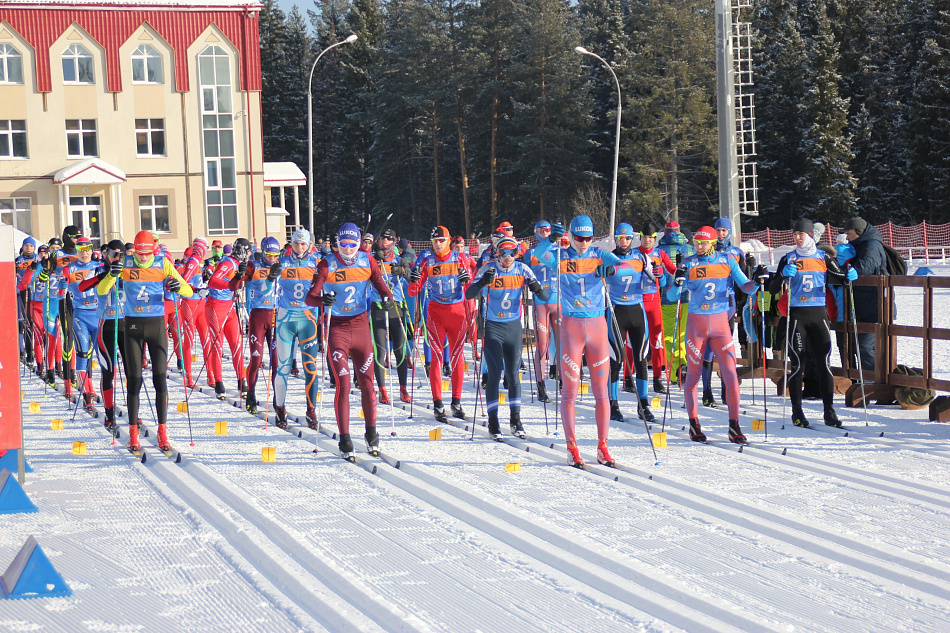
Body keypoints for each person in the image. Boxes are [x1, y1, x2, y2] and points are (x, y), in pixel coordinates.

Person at [530, 215, 622, 468]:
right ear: (571, 235)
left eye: (588, 237)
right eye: (579, 238)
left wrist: (611, 269)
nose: (583, 243)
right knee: (569, 393)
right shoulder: (560, 255)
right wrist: (549, 240)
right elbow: (538, 254)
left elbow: (625, 265)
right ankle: (572, 447)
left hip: (596, 327)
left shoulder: (598, 253)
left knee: (601, 393)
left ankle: (603, 445)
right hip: (570, 327)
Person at [97, 230, 193, 452]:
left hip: (156, 326)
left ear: (154, 250)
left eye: (146, 253)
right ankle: (133, 433)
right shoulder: (125, 262)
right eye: (139, 253)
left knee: (160, 380)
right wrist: (112, 274)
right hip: (132, 326)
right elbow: (102, 290)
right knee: (135, 380)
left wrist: (178, 287)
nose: (142, 258)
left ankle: (162, 432)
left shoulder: (163, 263)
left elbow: (188, 290)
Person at [306, 222, 394, 460]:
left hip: (361, 327)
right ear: (337, 244)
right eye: (343, 245)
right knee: (343, 383)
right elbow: (310, 297)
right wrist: (323, 300)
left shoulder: (368, 261)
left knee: (367, 383)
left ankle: (371, 433)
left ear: (358, 244)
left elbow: (383, 289)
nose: (347, 250)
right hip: (338, 330)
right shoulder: (327, 263)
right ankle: (345, 439)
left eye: (352, 245)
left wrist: (387, 300)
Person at [672, 225, 765, 444]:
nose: (698, 246)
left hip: (721, 325)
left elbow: (747, 287)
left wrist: (760, 280)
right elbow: (672, 293)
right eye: (696, 242)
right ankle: (694, 423)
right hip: (696, 325)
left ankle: (734, 425)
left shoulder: (727, 261)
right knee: (694, 375)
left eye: (703, 243)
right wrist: (678, 280)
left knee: (731, 375)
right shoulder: (688, 263)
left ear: (713, 243)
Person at [770, 219, 853, 428]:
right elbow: (772, 289)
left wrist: (850, 275)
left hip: (819, 316)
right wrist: (781, 275)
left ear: (810, 235)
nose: (798, 238)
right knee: (798, 365)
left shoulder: (823, 256)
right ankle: (797, 412)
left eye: (801, 234)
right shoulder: (788, 258)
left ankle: (829, 412)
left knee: (824, 364)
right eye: (795, 234)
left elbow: (840, 277)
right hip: (797, 316)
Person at [467, 235, 548, 439]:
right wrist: (481, 284)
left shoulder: (522, 269)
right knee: (494, 374)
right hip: (493, 327)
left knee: (513, 375)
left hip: (513, 327)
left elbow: (545, 297)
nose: (509, 257)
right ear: (497, 252)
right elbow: (468, 294)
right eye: (504, 252)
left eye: (513, 252)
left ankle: (515, 419)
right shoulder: (488, 268)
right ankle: (493, 421)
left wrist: (536, 288)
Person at [407, 226, 476, 423]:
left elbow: (471, 288)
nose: (439, 244)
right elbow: (414, 291)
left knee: (456, 357)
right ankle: (438, 403)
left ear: (449, 240)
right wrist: (413, 280)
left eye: (442, 240)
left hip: (457, 312)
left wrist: (467, 280)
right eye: (435, 241)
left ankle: (456, 402)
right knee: (437, 358)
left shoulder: (459, 257)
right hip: (436, 312)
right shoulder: (426, 258)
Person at [606, 223, 657, 424]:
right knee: (616, 359)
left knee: (641, 358)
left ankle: (643, 404)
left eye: (627, 238)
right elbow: (598, 274)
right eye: (621, 238)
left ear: (632, 239)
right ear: (616, 239)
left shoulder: (642, 257)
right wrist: (603, 271)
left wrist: (660, 277)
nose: (624, 242)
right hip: (616, 311)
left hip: (637, 310)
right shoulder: (609, 257)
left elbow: (656, 280)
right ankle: (613, 403)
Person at [272, 228, 323, 428]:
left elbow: (328, 285)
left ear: (309, 244)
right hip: (286, 319)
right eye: (296, 243)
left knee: (310, 368)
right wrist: (271, 276)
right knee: (283, 367)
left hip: (309, 319)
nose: (299, 247)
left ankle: (311, 410)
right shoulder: (283, 262)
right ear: (291, 244)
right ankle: (280, 409)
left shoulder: (318, 263)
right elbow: (269, 285)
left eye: (303, 244)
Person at [78, 239, 127, 431]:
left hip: (127, 324)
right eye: (112, 254)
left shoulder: (129, 270)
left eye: (119, 254)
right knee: (109, 371)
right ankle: (108, 413)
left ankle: (134, 414)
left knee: (132, 371)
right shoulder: (98, 270)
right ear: (105, 255)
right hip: (105, 324)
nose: (116, 258)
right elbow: (82, 287)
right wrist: (106, 275)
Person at [370, 228, 413, 404]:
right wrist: (374, 258)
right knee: (380, 351)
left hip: (397, 306)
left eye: (389, 239)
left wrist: (402, 271)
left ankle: (403, 389)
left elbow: (413, 280)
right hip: (379, 306)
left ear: (395, 241)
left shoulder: (401, 260)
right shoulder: (372, 260)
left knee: (400, 350)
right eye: (382, 238)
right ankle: (382, 390)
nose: (385, 241)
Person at [205, 237, 250, 399]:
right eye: (248, 251)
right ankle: (219, 382)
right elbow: (213, 281)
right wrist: (232, 283)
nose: (249, 255)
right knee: (218, 345)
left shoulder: (239, 264)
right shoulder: (228, 263)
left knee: (236, 344)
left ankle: (241, 380)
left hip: (230, 306)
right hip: (216, 306)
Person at [241, 236, 281, 414]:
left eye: (275, 255)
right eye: (268, 254)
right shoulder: (254, 266)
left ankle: (278, 398)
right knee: (256, 359)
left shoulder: (282, 266)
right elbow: (238, 282)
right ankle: (251, 393)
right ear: (262, 252)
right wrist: (239, 273)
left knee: (276, 362)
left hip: (275, 317)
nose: (272, 258)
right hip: (258, 315)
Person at [842, 217, 887, 371]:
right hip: (865, 305)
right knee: (859, 345)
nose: (847, 237)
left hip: (876, 307)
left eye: (849, 233)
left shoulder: (871, 245)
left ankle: (876, 380)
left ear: (859, 232)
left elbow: (864, 268)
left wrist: (846, 267)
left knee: (865, 346)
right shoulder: (861, 245)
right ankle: (872, 378)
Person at [63, 236, 101, 411]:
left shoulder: (98, 267)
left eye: (87, 250)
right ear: (76, 251)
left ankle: (103, 392)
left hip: (99, 315)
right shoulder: (69, 268)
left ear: (92, 251)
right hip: (80, 316)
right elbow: (60, 288)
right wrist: (62, 284)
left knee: (104, 357)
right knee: (83, 354)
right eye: (81, 251)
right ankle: (87, 395)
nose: (84, 254)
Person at [638, 222, 676, 394]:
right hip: (637, 301)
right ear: (640, 238)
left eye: (651, 238)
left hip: (654, 302)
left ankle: (658, 378)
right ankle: (629, 378)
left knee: (657, 340)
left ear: (655, 239)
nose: (648, 241)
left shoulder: (660, 253)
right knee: (636, 342)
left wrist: (677, 272)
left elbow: (673, 271)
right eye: (645, 237)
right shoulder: (634, 254)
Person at [524, 220, 559, 402]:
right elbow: (523, 274)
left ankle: (563, 380)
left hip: (558, 301)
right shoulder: (530, 253)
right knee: (542, 346)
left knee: (563, 343)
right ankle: (541, 385)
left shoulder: (558, 250)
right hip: (540, 303)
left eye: (546, 230)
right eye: (539, 230)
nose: (544, 233)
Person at [658, 222, 694, 385]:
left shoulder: (660, 250)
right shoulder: (690, 249)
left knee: (668, 336)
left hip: (666, 297)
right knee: (683, 333)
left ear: (665, 233)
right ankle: (683, 365)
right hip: (687, 297)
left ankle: (674, 372)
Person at [177, 237, 211, 389]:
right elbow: (183, 282)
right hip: (189, 303)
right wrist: (197, 290)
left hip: (200, 304)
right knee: (189, 340)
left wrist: (205, 278)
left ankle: (211, 376)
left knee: (206, 339)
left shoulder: (198, 262)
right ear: (201, 248)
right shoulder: (193, 261)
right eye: (206, 248)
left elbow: (196, 280)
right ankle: (189, 377)